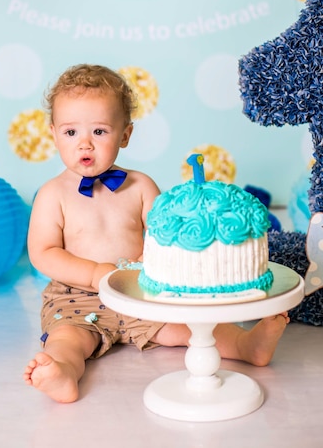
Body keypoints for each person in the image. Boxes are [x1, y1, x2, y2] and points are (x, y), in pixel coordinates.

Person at [23, 63, 289, 403]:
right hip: (76, 296)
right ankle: (62, 372)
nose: (85, 144)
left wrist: (151, 261)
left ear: (125, 134)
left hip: (137, 289)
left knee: (189, 327)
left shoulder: (140, 186)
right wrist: (91, 274)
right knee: (68, 339)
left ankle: (245, 345)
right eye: (71, 132)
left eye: (100, 132)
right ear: (53, 134)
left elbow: (166, 233)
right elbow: (43, 252)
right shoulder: (52, 194)